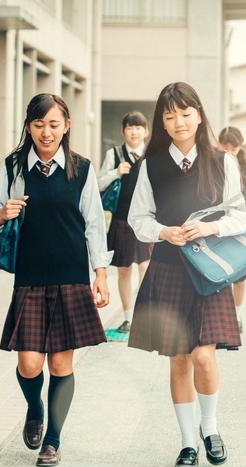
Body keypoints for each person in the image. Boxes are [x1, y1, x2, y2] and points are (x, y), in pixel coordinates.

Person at [127, 82, 246, 467]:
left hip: (208, 269)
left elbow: (240, 215)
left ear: (198, 114)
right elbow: (137, 218)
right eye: (169, 115)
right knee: (179, 360)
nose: (178, 122)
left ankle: (210, 429)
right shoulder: (151, 164)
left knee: (204, 357)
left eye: (184, 113)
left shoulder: (221, 160)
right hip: (167, 267)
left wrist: (210, 229)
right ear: (161, 121)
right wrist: (164, 232)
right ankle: (186, 443)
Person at [0, 93, 111, 466]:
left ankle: (52, 441)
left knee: (61, 364)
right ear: (28, 126)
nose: (46, 132)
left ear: (66, 126)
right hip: (29, 277)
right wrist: (0, 213)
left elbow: (93, 224)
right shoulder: (14, 167)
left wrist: (100, 273)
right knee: (28, 364)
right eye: (39, 124)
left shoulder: (82, 169)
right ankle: (34, 409)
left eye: (53, 124)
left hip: (71, 277)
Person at [98, 111, 153, 333]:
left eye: (139, 127)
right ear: (123, 131)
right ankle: (128, 317)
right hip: (122, 220)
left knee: (146, 268)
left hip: (147, 220)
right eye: (130, 127)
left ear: (146, 132)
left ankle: (142, 314)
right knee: (123, 271)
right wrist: (115, 173)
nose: (134, 132)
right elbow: (98, 184)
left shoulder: (152, 155)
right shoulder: (114, 154)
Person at [218, 126, 246, 332]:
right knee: (221, 274)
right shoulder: (214, 164)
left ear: (239, 147)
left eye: (233, 149)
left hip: (240, 229)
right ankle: (222, 314)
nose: (229, 152)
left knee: (240, 278)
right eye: (225, 148)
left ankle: (237, 314)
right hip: (218, 228)